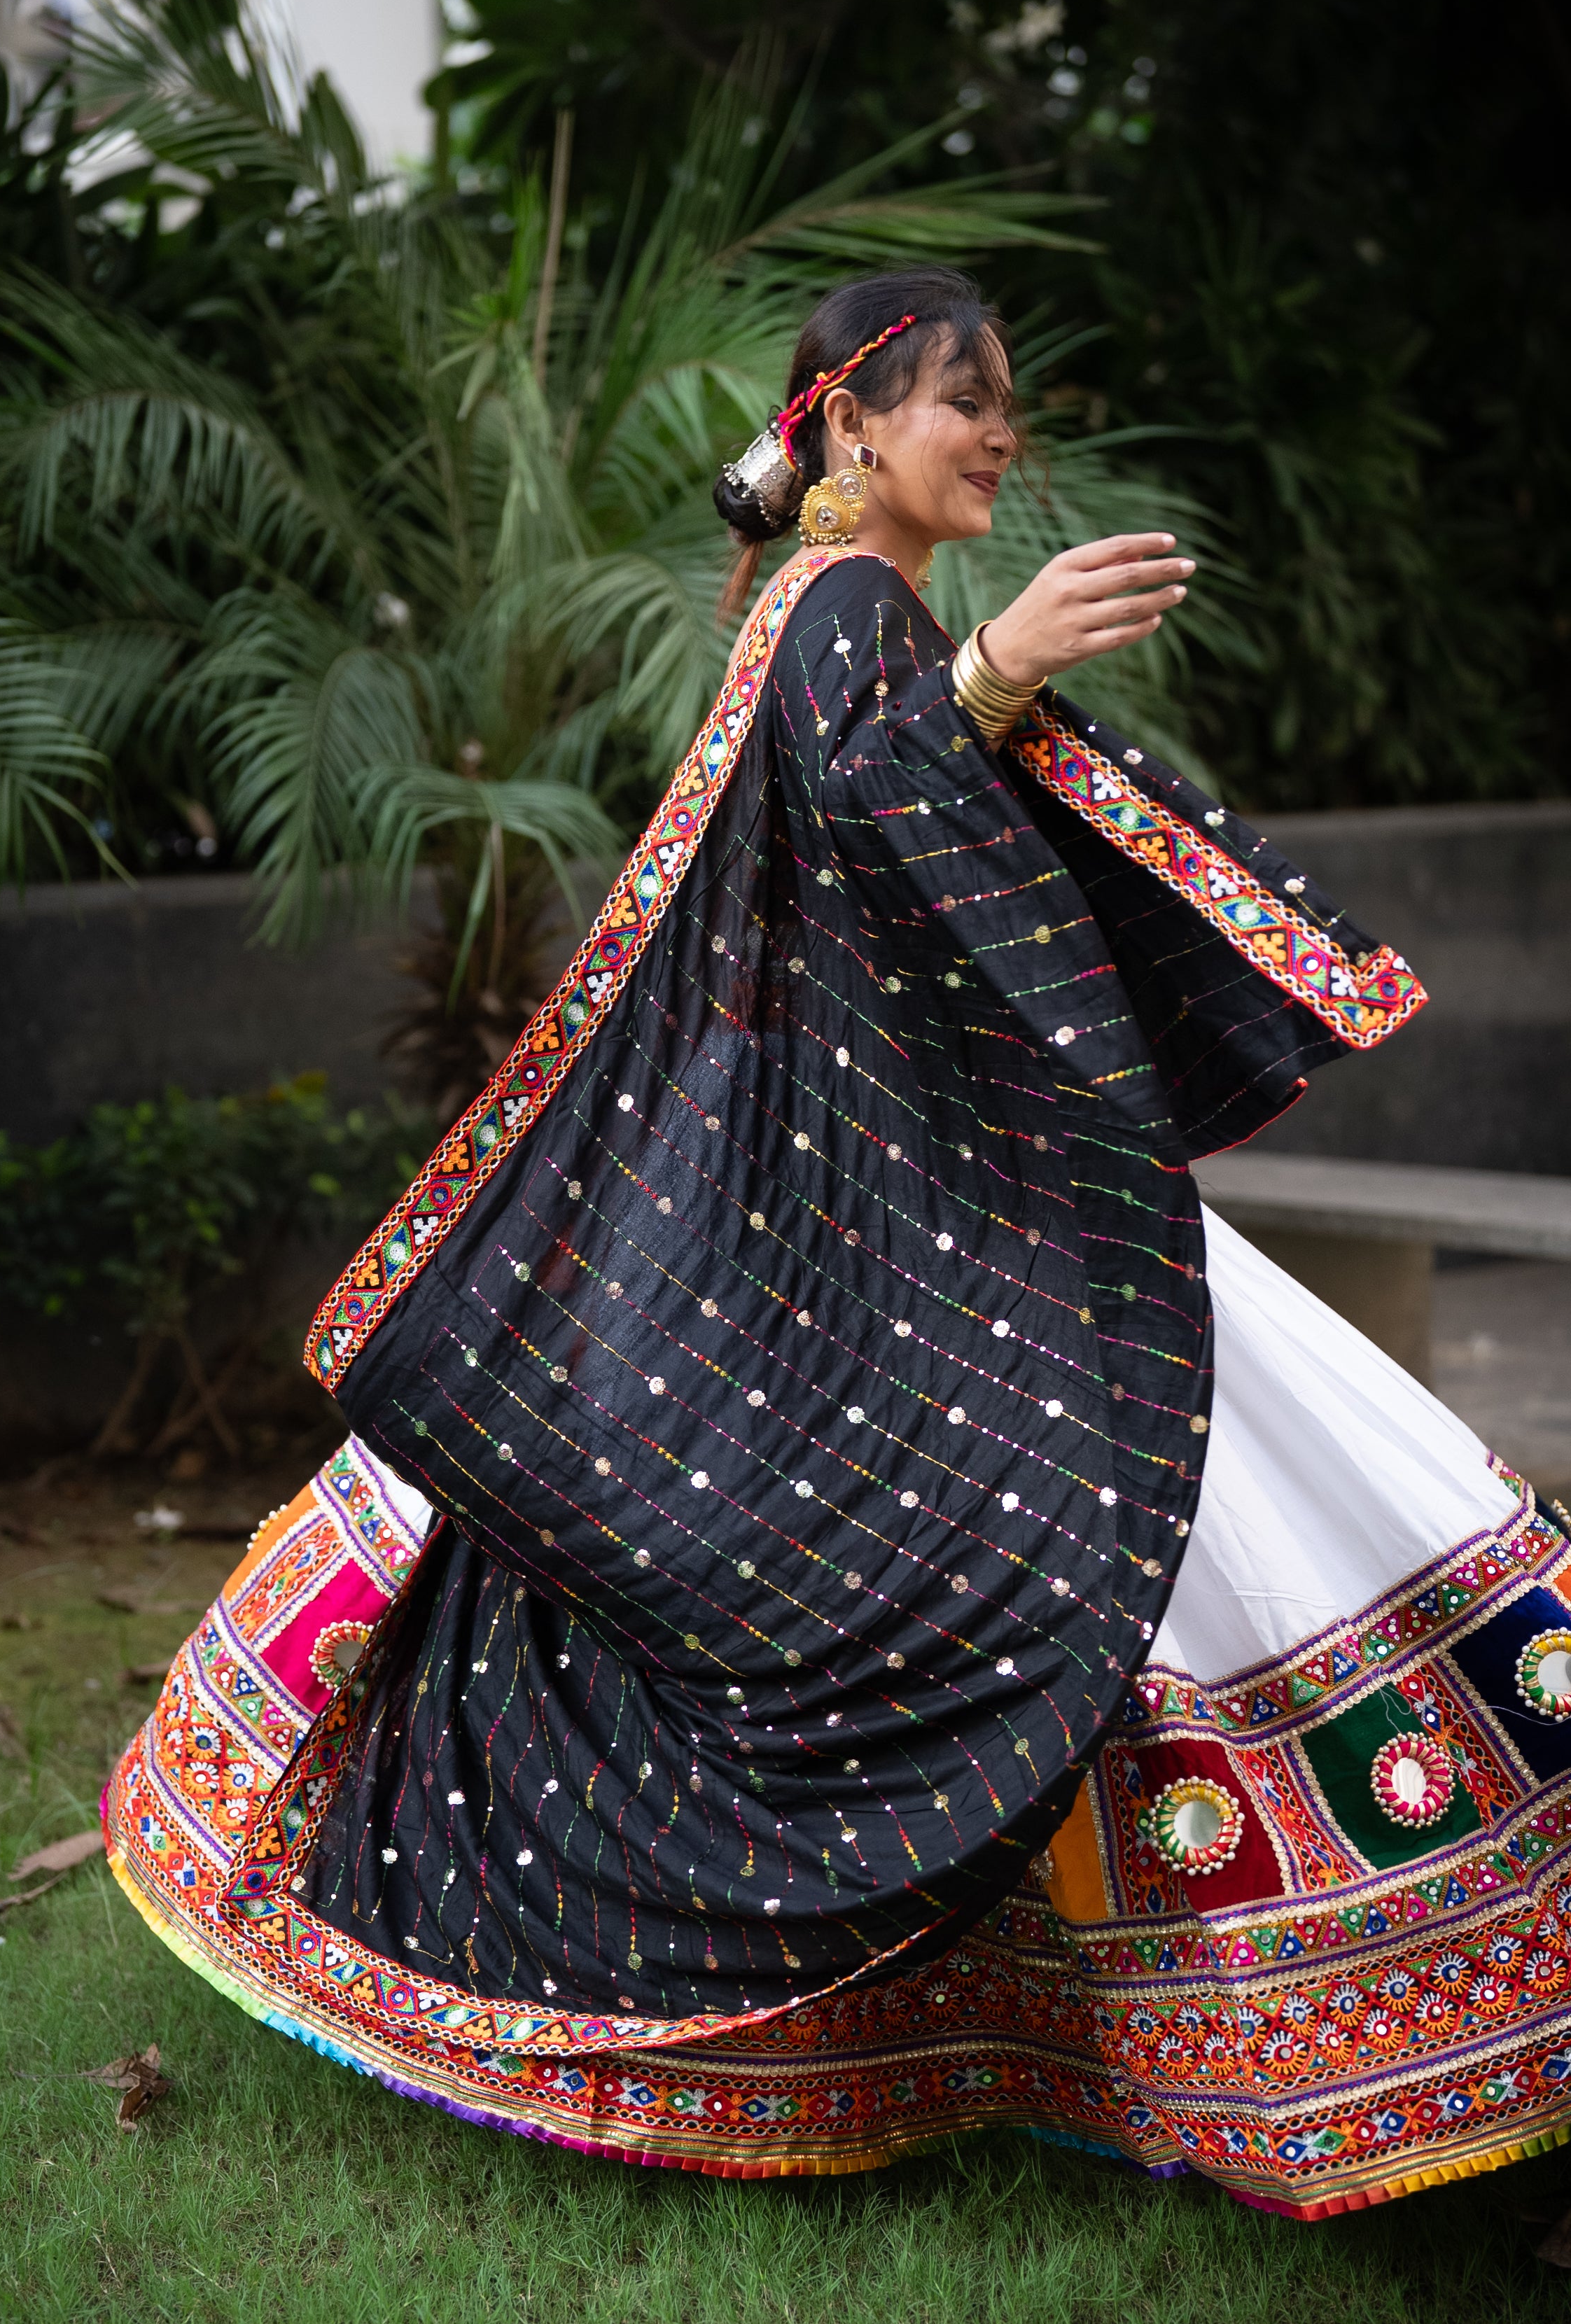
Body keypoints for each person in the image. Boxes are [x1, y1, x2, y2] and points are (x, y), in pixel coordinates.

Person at [106, 268, 1571, 2216]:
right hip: (916, 1201)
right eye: (971, 401)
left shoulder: (826, 609)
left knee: (1167, 1496)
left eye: (1011, 407)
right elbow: (879, 805)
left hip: (917, 1182)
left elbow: (856, 871)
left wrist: (1001, 693)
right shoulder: (849, 610)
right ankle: (1358, 2007)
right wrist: (1002, 673)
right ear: (851, 425)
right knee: (1156, 1495)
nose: (1003, 437)